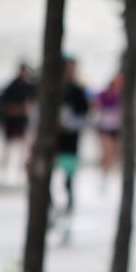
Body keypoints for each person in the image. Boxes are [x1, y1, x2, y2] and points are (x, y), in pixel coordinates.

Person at [54, 58, 91, 243]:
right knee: (47, 182)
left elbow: (85, 118)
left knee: (68, 182)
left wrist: (68, 124)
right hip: (51, 145)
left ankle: (67, 216)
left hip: (70, 144)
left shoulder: (78, 91)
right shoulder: (50, 88)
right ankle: (52, 213)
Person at [0, 62, 36, 178]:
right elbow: (5, 105)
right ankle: (3, 173)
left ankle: (20, 173)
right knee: (7, 149)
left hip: (22, 123)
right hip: (11, 122)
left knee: (23, 150)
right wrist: (19, 110)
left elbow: (32, 104)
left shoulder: (29, 87)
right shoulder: (12, 87)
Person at [94, 67, 124, 183]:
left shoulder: (120, 96)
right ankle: (104, 174)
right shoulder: (103, 95)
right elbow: (97, 109)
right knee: (107, 150)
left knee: (114, 152)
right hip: (104, 127)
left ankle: (108, 172)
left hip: (115, 127)